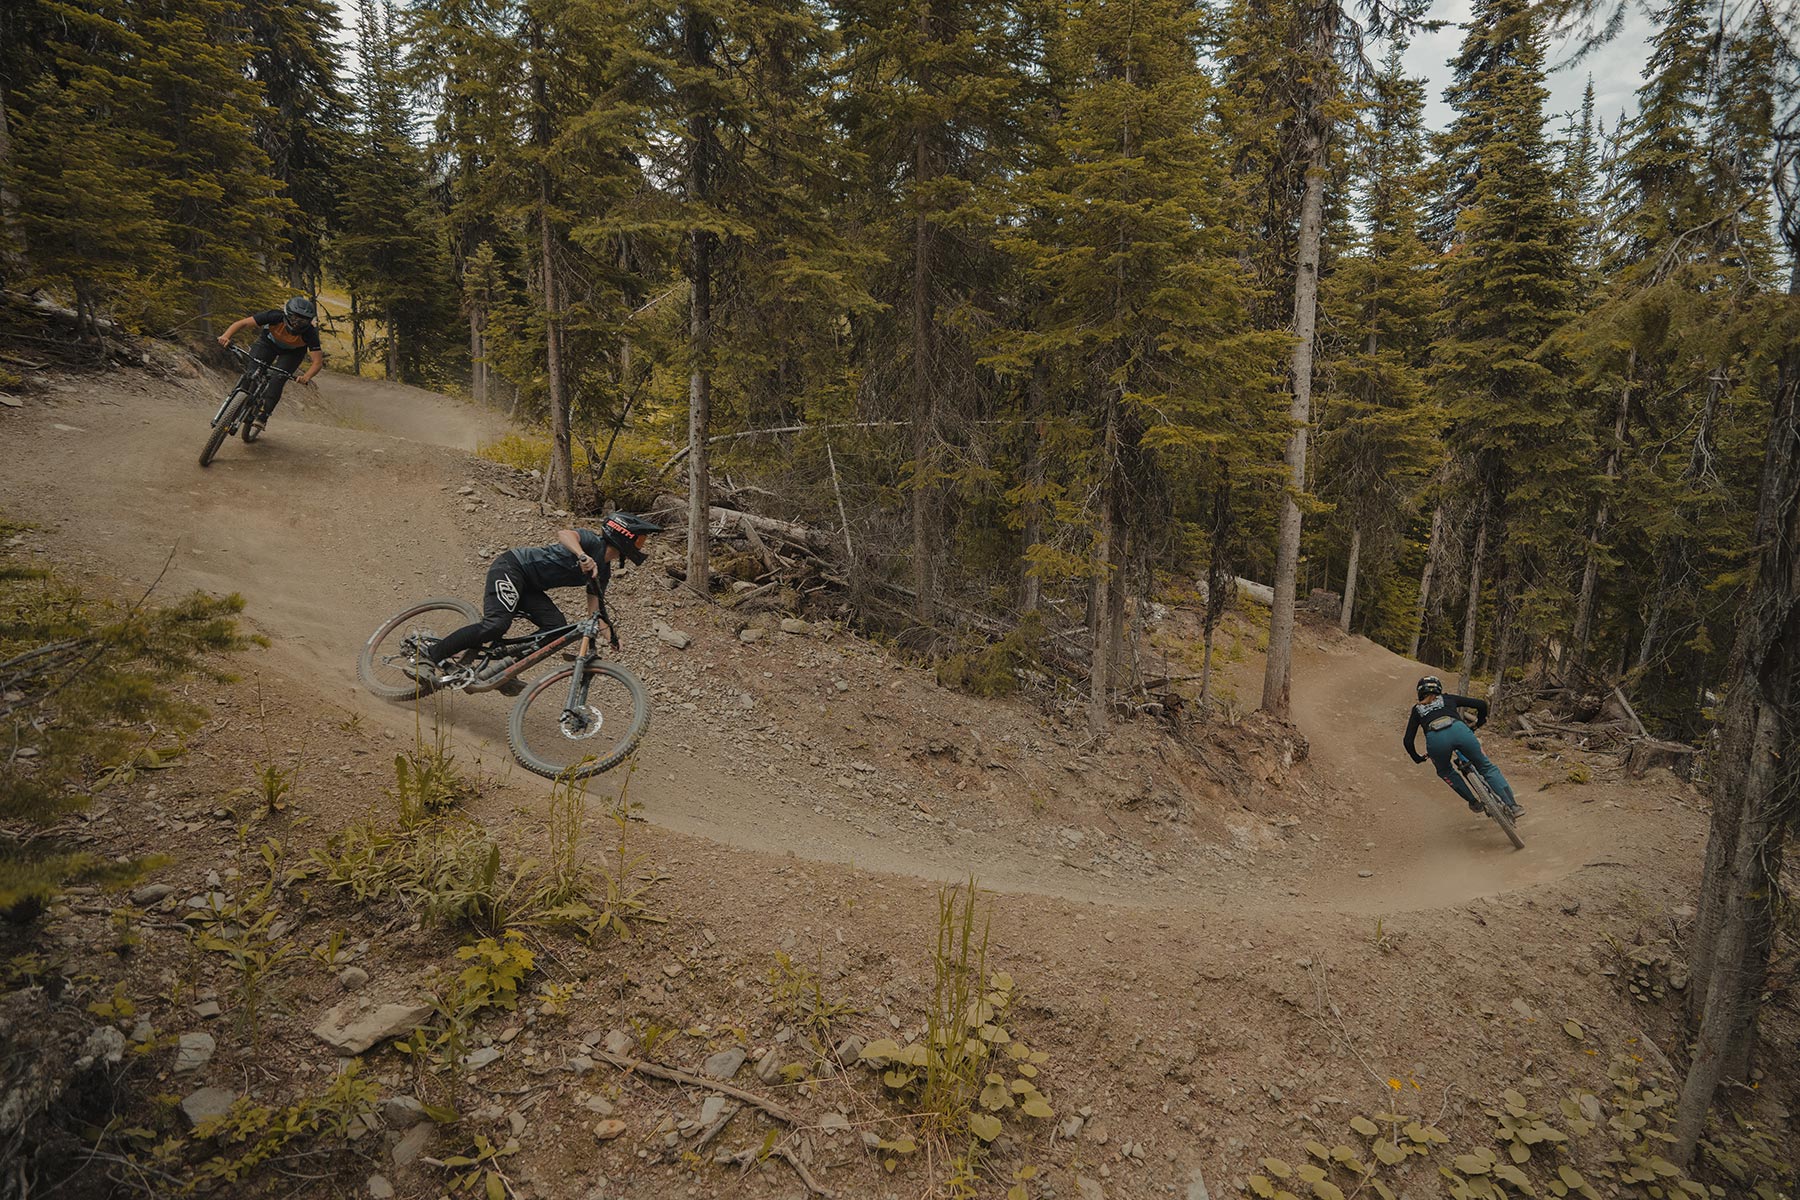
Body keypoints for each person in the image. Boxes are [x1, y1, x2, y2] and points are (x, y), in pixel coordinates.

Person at [410, 512, 663, 687]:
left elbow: (594, 610)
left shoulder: (604, 571)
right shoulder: (590, 541)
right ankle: (428, 656)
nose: (641, 545)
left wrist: (611, 637)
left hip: (531, 588)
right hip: (513, 568)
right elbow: (564, 533)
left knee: (556, 631)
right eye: (639, 539)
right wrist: (582, 556)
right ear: (623, 534)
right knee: (496, 624)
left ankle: (500, 674)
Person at [1403, 676, 1522, 817]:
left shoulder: (1417, 710)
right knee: (1486, 767)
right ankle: (1513, 806)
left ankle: (1473, 801)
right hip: (1459, 730)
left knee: (1445, 771)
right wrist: (1480, 721)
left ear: (1420, 692)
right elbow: (1481, 704)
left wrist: (1417, 758)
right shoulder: (1447, 699)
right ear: (1439, 689)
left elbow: (1408, 741)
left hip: (1436, 740)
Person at [215, 297, 325, 435]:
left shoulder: (310, 333)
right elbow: (242, 323)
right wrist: (226, 336)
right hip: (267, 344)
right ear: (286, 314)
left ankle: (263, 414)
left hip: (292, 353)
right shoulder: (274, 316)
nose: (297, 324)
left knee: (277, 379)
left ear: (309, 321)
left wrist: (306, 376)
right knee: (252, 373)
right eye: (295, 318)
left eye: (303, 320)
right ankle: (238, 401)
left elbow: (317, 362)